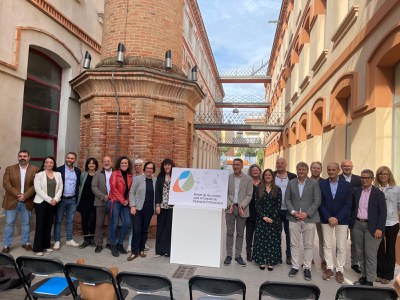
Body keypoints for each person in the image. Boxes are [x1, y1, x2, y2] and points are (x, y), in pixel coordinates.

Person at [285, 162, 321, 281]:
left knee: (308, 245)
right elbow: (287, 199)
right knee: (294, 244)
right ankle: (295, 266)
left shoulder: (314, 183)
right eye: (299, 169)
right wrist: (293, 212)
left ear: (307, 171)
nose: (301, 171)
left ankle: (307, 268)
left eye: (303, 169)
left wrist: (306, 213)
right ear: (296, 170)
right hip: (293, 218)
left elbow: (317, 200)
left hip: (309, 219)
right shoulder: (291, 183)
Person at [351, 169, 387, 286]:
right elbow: (353, 208)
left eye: (367, 178)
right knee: (360, 253)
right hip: (357, 225)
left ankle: (370, 280)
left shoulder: (378, 193)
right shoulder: (356, 191)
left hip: (372, 227)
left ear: (372, 179)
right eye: (362, 178)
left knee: (370, 255)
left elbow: (383, 213)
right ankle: (364, 276)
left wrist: (380, 228)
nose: (364, 180)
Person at [319, 162, 352, 283]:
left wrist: (337, 218)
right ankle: (329, 268)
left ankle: (339, 270)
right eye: (329, 170)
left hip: (342, 220)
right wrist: (328, 217)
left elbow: (348, 204)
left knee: (341, 246)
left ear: (338, 170)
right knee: (327, 245)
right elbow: (320, 203)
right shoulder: (322, 184)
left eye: (333, 169)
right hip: (326, 219)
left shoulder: (347, 185)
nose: (331, 172)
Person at [2, 150, 38, 253]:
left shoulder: (35, 169)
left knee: (26, 223)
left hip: (27, 201)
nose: (22, 158)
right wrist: (19, 195)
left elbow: (36, 185)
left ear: (29, 157)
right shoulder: (10, 169)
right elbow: (6, 184)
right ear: (18, 157)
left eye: (25, 156)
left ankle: (25, 242)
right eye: (20, 156)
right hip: (12, 200)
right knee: (9, 223)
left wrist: (25, 196)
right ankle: (6, 245)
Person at [223, 158, 253, 267]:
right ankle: (229, 255)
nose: (235, 166)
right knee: (229, 232)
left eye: (238, 165)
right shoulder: (227, 178)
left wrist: (242, 205)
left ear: (241, 166)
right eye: (234, 165)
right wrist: (228, 203)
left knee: (240, 233)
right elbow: (224, 193)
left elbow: (249, 195)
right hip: (230, 208)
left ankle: (238, 256)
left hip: (242, 209)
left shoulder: (248, 179)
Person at [374, 166, 400, 284]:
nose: (382, 176)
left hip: (392, 222)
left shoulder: (396, 189)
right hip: (378, 223)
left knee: (390, 249)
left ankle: (388, 275)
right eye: (380, 174)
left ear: (389, 175)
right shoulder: (375, 188)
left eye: (385, 174)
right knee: (379, 249)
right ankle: (380, 273)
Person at [32, 156, 63, 256]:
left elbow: (60, 188)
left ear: (53, 164)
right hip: (41, 202)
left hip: (53, 202)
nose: (49, 164)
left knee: (49, 224)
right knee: (40, 225)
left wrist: (55, 199)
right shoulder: (39, 175)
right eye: (47, 162)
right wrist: (49, 199)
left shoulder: (58, 174)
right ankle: (38, 248)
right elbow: (38, 189)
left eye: (51, 162)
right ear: (44, 164)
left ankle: (46, 245)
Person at [252, 169, 282, 271]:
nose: (268, 176)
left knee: (272, 240)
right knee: (261, 240)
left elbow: (278, 205)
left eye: (270, 175)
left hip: (274, 219)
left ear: (273, 177)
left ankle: (271, 261)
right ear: (263, 176)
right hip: (261, 219)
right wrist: (263, 216)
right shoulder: (258, 188)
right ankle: (261, 260)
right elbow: (256, 204)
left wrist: (271, 217)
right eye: (266, 175)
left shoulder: (277, 189)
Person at [128, 161, 157, 261]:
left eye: (151, 168)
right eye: (147, 168)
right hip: (138, 209)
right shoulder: (138, 179)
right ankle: (134, 251)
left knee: (145, 230)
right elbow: (132, 192)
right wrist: (132, 205)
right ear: (144, 169)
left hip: (149, 209)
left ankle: (141, 249)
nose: (149, 170)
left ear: (153, 170)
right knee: (137, 230)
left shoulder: (155, 181)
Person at [53, 152, 81, 250]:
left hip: (72, 199)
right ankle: (57, 240)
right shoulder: (59, 170)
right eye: (68, 158)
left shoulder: (77, 171)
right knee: (58, 220)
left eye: (72, 158)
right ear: (65, 158)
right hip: (61, 199)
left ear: (75, 160)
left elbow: (78, 185)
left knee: (70, 220)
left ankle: (69, 239)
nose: (69, 160)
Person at [339, 159, 362, 274]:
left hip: (355, 214)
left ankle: (354, 263)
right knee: (341, 241)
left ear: (352, 167)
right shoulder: (337, 178)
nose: (347, 168)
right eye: (344, 166)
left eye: (349, 166)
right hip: (342, 214)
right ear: (341, 167)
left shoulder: (359, 179)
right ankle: (340, 264)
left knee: (355, 241)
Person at [107, 156, 133, 257]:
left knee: (127, 224)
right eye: (122, 163)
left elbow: (131, 190)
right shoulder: (115, 174)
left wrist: (128, 201)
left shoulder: (130, 175)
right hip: (115, 202)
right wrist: (123, 200)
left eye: (126, 163)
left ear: (128, 164)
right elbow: (113, 188)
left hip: (125, 203)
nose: (124, 164)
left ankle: (120, 244)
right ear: (119, 164)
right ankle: (113, 245)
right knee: (114, 224)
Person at [274, 157, 297, 265]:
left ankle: (289, 256)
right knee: (276, 234)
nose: (279, 165)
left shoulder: (292, 176)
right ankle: (277, 255)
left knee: (289, 235)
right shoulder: (272, 175)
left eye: (282, 163)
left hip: (289, 210)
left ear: (286, 164)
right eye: (278, 163)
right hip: (276, 210)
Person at [91, 156, 113, 253]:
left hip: (113, 202)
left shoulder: (116, 173)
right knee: (99, 224)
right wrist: (103, 196)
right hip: (101, 201)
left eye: (108, 161)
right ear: (102, 163)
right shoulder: (98, 173)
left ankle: (109, 242)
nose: (106, 163)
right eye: (104, 161)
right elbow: (94, 186)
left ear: (111, 162)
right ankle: (99, 244)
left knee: (111, 223)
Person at [155, 159, 175, 257]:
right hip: (162, 206)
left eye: (168, 165)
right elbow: (157, 191)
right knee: (160, 228)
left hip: (172, 207)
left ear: (172, 166)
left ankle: (168, 250)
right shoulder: (160, 176)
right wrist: (157, 205)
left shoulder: (176, 177)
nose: (167, 167)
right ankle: (159, 250)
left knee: (169, 228)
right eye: (165, 165)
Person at [77, 157, 98, 248]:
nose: (91, 165)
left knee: (93, 220)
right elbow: (80, 186)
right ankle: (86, 239)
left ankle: (92, 239)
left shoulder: (99, 175)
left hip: (94, 201)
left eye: (93, 163)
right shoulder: (83, 175)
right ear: (87, 165)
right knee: (84, 220)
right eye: (89, 163)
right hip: (84, 201)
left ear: (96, 165)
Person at [127, 159, 146, 253]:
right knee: (132, 226)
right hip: (132, 204)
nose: (138, 167)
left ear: (143, 166)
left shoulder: (146, 177)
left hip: (142, 205)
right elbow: (131, 191)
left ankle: (141, 243)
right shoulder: (131, 177)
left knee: (141, 226)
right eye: (136, 165)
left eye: (140, 165)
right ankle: (130, 244)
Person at [310, 161, 326, 271]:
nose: (316, 170)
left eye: (318, 168)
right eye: (314, 168)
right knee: (309, 239)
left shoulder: (325, 182)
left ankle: (323, 260)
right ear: (311, 169)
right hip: (309, 214)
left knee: (323, 239)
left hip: (322, 214)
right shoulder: (306, 181)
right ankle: (309, 258)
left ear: (321, 170)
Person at [245, 164, 261, 262]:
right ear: (250, 172)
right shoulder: (247, 182)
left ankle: (256, 253)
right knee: (249, 234)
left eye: (256, 170)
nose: (255, 172)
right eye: (253, 170)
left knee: (258, 235)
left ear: (259, 171)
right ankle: (248, 253)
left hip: (260, 212)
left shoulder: (263, 182)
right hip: (249, 211)